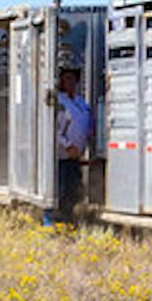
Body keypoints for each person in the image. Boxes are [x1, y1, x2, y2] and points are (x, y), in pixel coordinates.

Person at [47, 66, 93, 226]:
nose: (70, 82)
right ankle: (56, 222)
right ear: (60, 81)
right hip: (62, 156)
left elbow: (87, 124)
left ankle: (69, 221)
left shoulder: (81, 102)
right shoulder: (58, 102)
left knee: (74, 192)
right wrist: (67, 146)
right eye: (66, 78)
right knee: (61, 191)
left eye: (73, 78)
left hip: (76, 156)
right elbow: (54, 130)